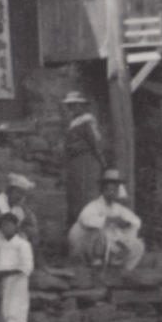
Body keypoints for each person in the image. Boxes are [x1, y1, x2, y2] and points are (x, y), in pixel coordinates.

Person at [69, 169, 145, 270]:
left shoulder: (118, 208)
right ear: (103, 191)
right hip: (92, 245)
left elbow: (136, 221)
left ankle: (123, 271)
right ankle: (97, 263)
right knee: (97, 231)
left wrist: (125, 223)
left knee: (138, 245)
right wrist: (108, 219)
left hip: (112, 242)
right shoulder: (94, 206)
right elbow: (84, 219)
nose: (111, 193)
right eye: (108, 190)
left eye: (114, 190)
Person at [62, 91, 108, 229]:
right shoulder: (74, 123)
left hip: (86, 162)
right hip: (75, 163)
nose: (72, 108)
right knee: (75, 195)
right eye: (70, 106)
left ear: (82, 106)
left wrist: (103, 162)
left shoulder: (87, 121)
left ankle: (88, 225)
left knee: (86, 194)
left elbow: (95, 142)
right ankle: (76, 227)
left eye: (75, 105)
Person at [0, 173, 42, 245]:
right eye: (19, 192)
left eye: (23, 194)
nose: (20, 196)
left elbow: (21, 228)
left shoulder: (19, 209)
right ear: (10, 190)